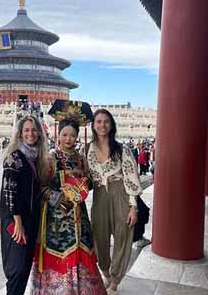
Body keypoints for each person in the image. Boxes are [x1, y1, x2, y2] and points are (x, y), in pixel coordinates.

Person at [32, 100, 107, 294]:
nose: (68, 139)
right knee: (60, 255)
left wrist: (83, 186)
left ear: (77, 137)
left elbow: (89, 181)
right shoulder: (50, 158)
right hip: (56, 220)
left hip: (78, 217)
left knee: (83, 253)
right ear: (58, 134)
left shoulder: (81, 158)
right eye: (65, 134)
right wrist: (59, 197)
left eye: (72, 135)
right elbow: (40, 186)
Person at [86, 109, 142, 294]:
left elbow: (131, 176)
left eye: (106, 121)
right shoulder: (86, 149)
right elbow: (82, 176)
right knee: (99, 238)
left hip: (121, 194)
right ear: (93, 125)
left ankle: (116, 280)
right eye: (99, 121)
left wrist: (133, 207)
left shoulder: (121, 149)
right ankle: (105, 271)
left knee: (122, 236)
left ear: (111, 125)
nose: (102, 125)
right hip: (100, 195)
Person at [0, 115, 48, 295]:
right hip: (15, 220)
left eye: (34, 130)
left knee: (26, 267)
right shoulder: (15, 158)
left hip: (30, 219)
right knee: (16, 269)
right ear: (19, 134)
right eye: (26, 130)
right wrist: (17, 222)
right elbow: (9, 192)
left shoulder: (35, 158)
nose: (31, 134)